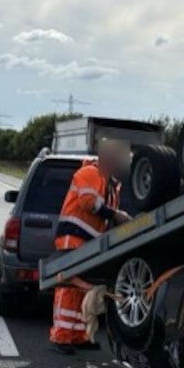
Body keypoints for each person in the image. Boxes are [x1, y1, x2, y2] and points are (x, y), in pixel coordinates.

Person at [50, 138, 132, 354]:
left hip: (87, 241)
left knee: (79, 290)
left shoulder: (112, 183)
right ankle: (61, 336)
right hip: (73, 237)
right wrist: (116, 214)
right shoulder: (92, 173)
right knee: (68, 286)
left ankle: (78, 336)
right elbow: (88, 202)